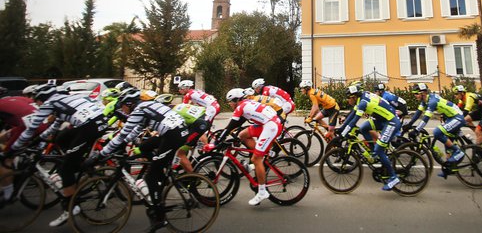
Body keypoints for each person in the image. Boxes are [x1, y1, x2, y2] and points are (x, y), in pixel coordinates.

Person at [84, 88, 189, 233]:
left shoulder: (139, 109)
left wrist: (101, 154)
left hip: (174, 135)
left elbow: (122, 135)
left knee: (151, 176)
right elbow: (134, 132)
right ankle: (160, 172)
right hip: (173, 131)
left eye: (123, 106)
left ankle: (160, 218)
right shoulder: (145, 107)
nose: (122, 109)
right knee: (145, 147)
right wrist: (121, 145)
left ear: (129, 103)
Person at [7, 84, 107, 227]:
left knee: (66, 167)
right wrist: (39, 139)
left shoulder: (49, 103)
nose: (36, 104)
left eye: (36, 101)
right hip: (92, 123)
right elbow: (54, 127)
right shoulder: (62, 100)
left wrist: (14, 147)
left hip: (91, 126)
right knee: (60, 138)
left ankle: (72, 207)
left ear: (42, 99)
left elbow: (31, 128)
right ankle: (76, 163)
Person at [215, 88, 283, 206]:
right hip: (267, 123)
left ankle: (262, 191)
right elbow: (238, 124)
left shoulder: (240, 107)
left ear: (236, 100)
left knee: (256, 158)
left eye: (230, 101)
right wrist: (233, 137)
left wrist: (218, 141)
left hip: (271, 125)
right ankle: (259, 156)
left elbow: (230, 126)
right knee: (242, 135)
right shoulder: (246, 105)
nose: (229, 104)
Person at [337, 81, 402, 191]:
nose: (347, 100)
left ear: (353, 97)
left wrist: (343, 134)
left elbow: (354, 121)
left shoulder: (362, 102)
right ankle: (374, 153)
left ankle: (393, 177)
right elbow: (352, 115)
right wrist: (341, 129)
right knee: (363, 128)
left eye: (348, 98)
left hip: (391, 121)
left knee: (379, 149)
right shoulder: (361, 98)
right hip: (382, 119)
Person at [404, 83, 466, 170]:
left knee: (437, 132)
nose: (415, 96)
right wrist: (409, 124)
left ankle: (458, 151)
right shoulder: (425, 100)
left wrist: (417, 130)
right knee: (446, 141)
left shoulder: (432, 102)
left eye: (416, 93)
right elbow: (418, 113)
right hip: (449, 117)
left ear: (423, 93)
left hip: (457, 117)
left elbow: (425, 118)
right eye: (414, 94)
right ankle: (449, 168)